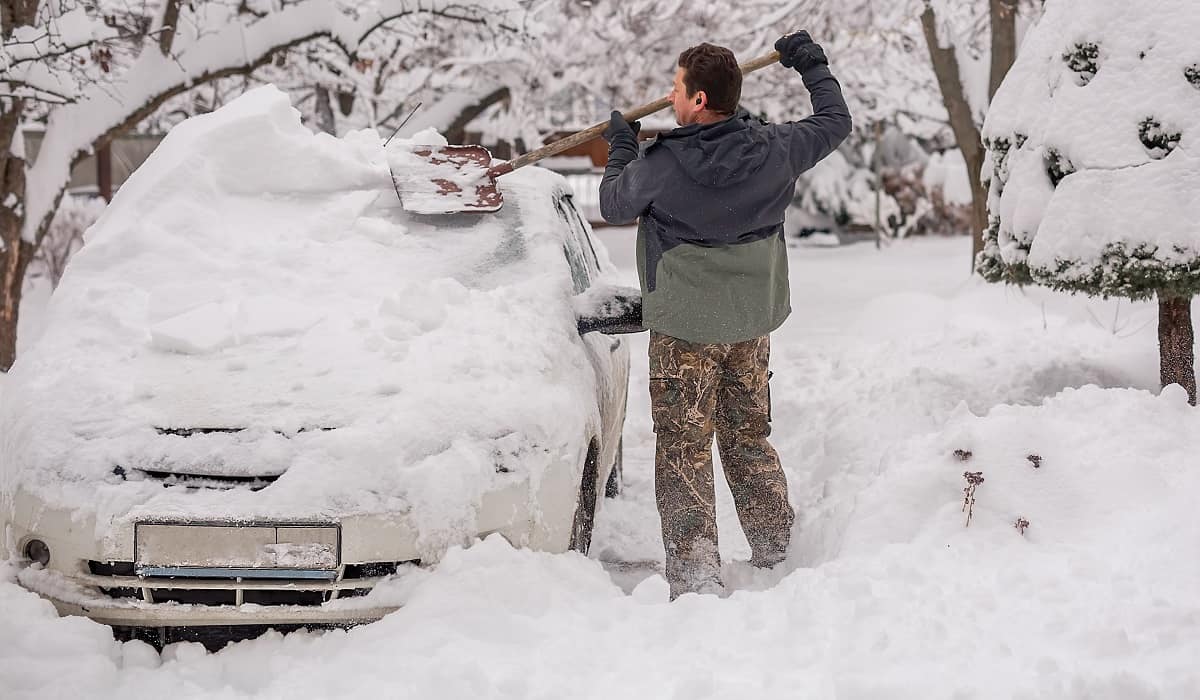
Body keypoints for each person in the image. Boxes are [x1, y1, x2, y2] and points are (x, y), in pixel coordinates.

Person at [598, 32, 852, 599]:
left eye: (677, 88)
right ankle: (778, 548)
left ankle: (695, 575)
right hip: (748, 323)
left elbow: (613, 203)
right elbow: (835, 120)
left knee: (683, 449)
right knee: (747, 435)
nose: (670, 95)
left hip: (685, 330)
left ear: (699, 100)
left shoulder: (662, 165)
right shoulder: (777, 147)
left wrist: (622, 148)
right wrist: (811, 65)